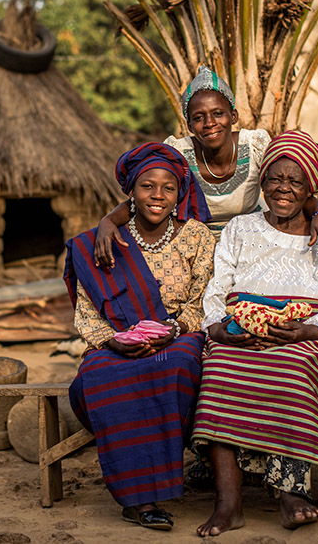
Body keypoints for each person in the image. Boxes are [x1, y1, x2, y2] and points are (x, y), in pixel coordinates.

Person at [192, 130, 318, 536]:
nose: (283, 189)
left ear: (311, 188)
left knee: (293, 369)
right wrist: (220, 329)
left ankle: (291, 491)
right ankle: (229, 502)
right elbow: (217, 288)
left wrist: (312, 330)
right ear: (261, 184)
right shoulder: (240, 229)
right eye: (274, 180)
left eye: (295, 181)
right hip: (242, 328)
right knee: (219, 368)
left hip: (310, 335)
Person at [65, 143, 215, 532]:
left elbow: (206, 299)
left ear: (180, 193)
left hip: (179, 334)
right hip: (115, 339)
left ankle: (159, 483)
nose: (158, 196)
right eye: (148, 186)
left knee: (178, 369)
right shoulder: (105, 240)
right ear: (131, 191)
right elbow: (86, 308)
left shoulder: (196, 237)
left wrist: (175, 329)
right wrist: (110, 341)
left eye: (168, 188)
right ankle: (139, 499)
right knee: (97, 378)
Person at [93, 65, 318, 267]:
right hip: (195, 252)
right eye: (199, 117)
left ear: (233, 116)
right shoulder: (178, 154)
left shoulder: (255, 145)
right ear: (189, 125)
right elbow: (149, 195)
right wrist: (108, 221)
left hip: (253, 246)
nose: (210, 123)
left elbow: (288, 188)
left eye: (218, 114)